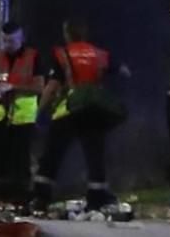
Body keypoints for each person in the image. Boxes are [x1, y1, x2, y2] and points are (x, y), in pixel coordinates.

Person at [32, 18, 126, 212]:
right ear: (85, 33)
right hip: (94, 109)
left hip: (70, 108)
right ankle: (97, 197)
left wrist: (40, 110)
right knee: (95, 154)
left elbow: (52, 86)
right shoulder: (100, 54)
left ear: (67, 33)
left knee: (53, 152)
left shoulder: (62, 54)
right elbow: (124, 71)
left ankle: (41, 195)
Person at [0, 21, 45, 208]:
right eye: (5, 40)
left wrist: (14, 88)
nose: (8, 44)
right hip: (0, 117)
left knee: (20, 163)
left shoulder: (33, 57)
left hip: (23, 118)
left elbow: (39, 87)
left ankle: (20, 201)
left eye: (12, 40)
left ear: (22, 38)